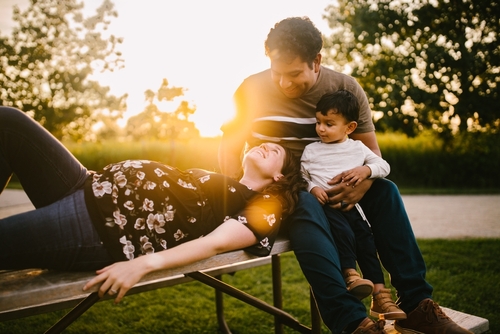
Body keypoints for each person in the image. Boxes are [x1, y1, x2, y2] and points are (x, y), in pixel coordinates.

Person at [218, 16, 472, 334]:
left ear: (317, 61)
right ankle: (352, 322)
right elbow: (228, 149)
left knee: (387, 190)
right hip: (283, 192)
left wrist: (362, 185)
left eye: (294, 74)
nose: (284, 83)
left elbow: (371, 154)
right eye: (277, 72)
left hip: (339, 186)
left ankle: (418, 304)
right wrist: (231, 199)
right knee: (305, 202)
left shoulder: (345, 89)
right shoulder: (251, 90)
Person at [0, 106, 306, 303]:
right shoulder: (227, 183)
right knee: (9, 122)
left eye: (275, 152)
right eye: (265, 143)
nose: (266, 146)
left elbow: (213, 244)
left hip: (101, 226)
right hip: (89, 185)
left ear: (279, 176)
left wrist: (141, 264)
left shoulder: (263, 208)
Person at [301, 90, 405, 320]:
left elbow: (383, 166)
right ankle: (350, 275)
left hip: (353, 207)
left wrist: (366, 170)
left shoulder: (357, 148)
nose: (320, 128)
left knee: (366, 241)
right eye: (318, 122)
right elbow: (302, 177)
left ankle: (380, 296)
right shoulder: (311, 151)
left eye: (329, 124)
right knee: (343, 233)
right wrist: (313, 189)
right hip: (327, 207)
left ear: (349, 127)